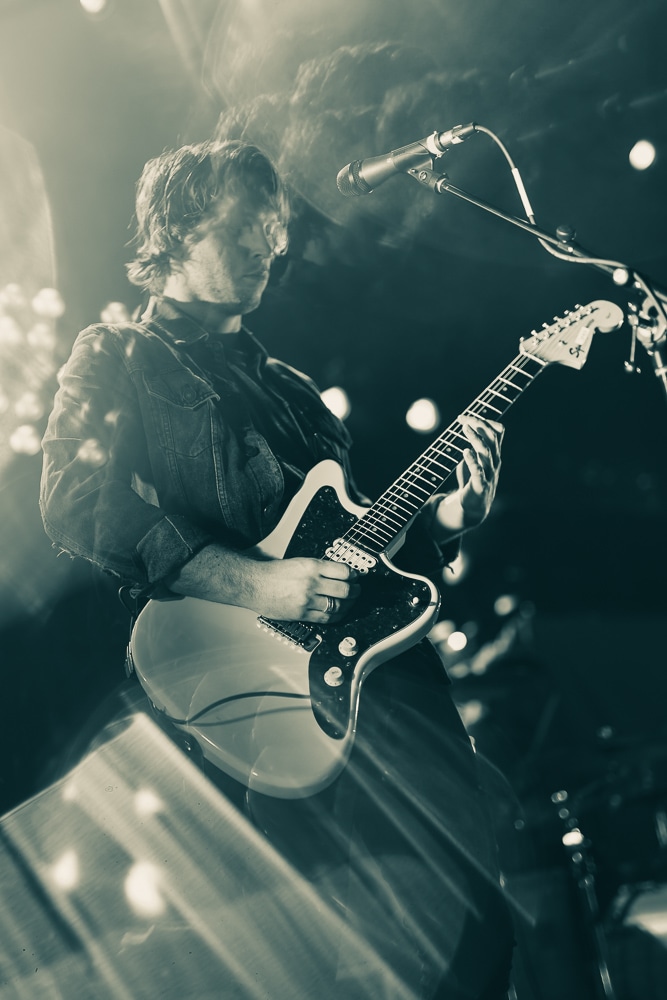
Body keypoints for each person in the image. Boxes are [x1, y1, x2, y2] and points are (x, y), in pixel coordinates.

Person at [40, 139, 515, 998]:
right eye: (245, 229)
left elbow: (356, 548)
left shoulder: (292, 389)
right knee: (304, 956)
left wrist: (450, 520)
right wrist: (251, 583)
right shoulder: (118, 355)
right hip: (247, 693)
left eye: (275, 230)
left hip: (382, 683)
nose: (272, 246)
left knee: (472, 937)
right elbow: (75, 498)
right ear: (176, 229)